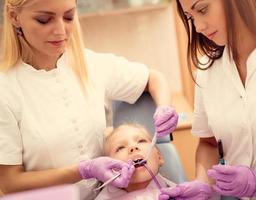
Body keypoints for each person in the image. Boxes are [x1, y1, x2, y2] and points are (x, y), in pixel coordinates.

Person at [0, 0, 179, 199]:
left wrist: (164, 107)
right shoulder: (5, 90)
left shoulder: (90, 64)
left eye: (69, 17)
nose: (61, 31)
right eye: (44, 20)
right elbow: (9, 182)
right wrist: (83, 170)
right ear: (14, 16)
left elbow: (153, 78)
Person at [160, 0, 256, 200]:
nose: (198, 27)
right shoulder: (206, 69)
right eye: (191, 17)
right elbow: (209, 143)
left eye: (203, 9)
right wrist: (202, 182)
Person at [95, 124, 176, 200]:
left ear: (159, 156)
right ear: (109, 169)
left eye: (141, 141)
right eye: (120, 148)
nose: (133, 147)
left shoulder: (175, 192)